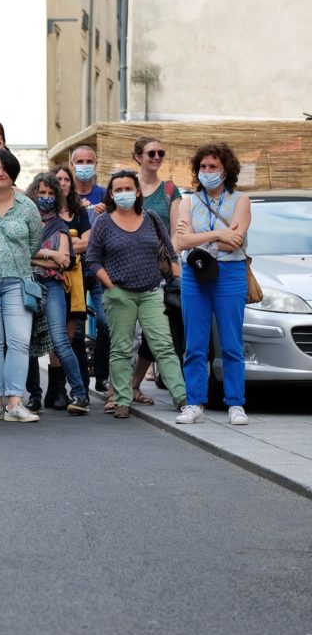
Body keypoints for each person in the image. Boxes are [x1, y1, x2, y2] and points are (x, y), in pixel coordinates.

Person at [85, 169, 189, 419]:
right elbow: (93, 259)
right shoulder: (103, 222)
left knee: (163, 345)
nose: (124, 193)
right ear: (111, 194)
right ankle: (122, 400)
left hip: (152, 293)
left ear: (138, 191)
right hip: (119, 294)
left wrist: (176, 281)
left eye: (128, 189)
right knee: (121, 349)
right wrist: (110, 286)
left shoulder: (151, 218)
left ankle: (182, 398)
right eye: (118, 190)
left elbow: (171, 254)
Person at [173, 143, 252, 426]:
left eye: (213, 166)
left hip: (230, 274)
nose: (207, 171)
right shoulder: (188, 201)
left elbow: (236, 242)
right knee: (195, 343)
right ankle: (194, 402)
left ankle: (236, 403)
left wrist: (198, 237)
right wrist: (219, 234)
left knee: (231, 343)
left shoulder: (241, 200)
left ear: (225, 170)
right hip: (195, 274)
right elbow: (181, 241)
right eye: (203, 166)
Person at [0, 150, 42, 423]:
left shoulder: (27, 206)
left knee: (19, 342)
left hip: (18, 281)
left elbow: (35, 242)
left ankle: (15, 403)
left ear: (13, 174)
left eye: (5, 169)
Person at [25, 172, 89, 414]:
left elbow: (63, 262)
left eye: (51, 193)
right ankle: (34, 397)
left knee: (60, 340)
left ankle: (80, 395)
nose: (46, 197)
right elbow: (20, 254)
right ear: (34, 193)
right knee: (27, 342)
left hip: (52, 286)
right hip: (29, 286)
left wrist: (34, 257)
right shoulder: (26, 222)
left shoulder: (60, 226)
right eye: (42, 192)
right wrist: (50, 255)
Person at [127, 136, 185, 401]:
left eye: (161, 153)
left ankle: (135, 384)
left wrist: (172, 268)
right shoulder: (127, 187)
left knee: (157, 330)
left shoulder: (170, 190)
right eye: (151, 153)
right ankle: (119, 388)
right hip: (128, 269)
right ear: (138, 157)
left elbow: (176, 234)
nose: (157, 157)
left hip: (160, 273)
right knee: (125, 333)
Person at [70, 144, 110, 394]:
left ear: (96, 164)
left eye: (89, 161)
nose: (85, 166)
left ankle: (102, 375)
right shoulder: (65, 195)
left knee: (106, 322)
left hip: (99, 267)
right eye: (80, 162)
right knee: (74, 329)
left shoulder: (105, 195)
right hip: (72, 269)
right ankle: (81, 383)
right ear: (72, 165)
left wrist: (107, 214)